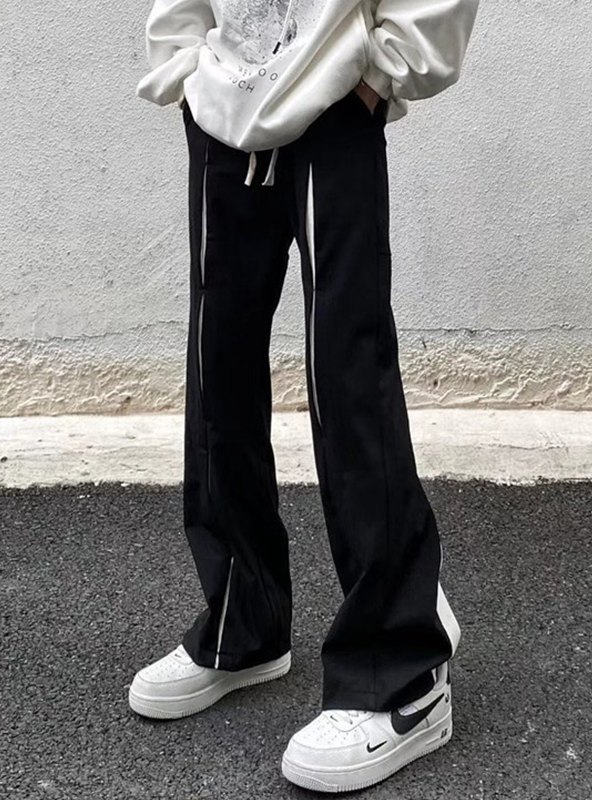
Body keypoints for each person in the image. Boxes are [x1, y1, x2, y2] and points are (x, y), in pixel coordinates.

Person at [129, 0, 479, 791]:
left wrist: (381, 71)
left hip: (334, 99)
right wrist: (185, 65)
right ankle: (243, 626)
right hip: (223, 105)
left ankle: (402, 673)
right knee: (218, 367)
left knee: (346, 375)